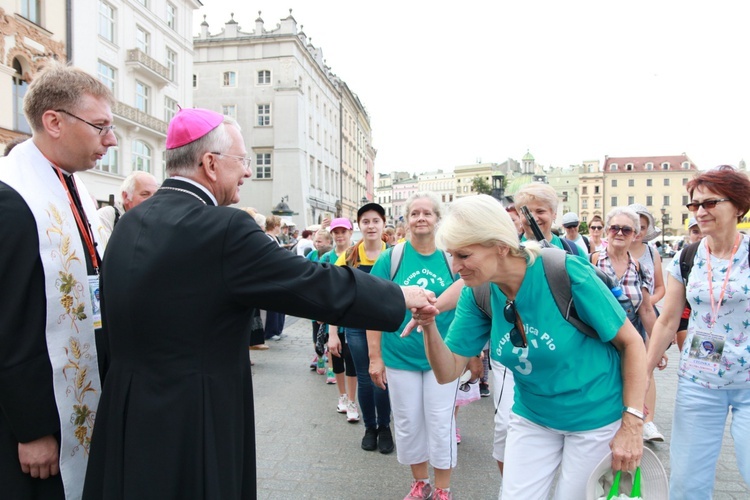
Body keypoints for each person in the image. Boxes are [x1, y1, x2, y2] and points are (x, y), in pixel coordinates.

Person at [81, 108, 437, 499]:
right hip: (195, 417)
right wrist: (397, 294)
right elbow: (310, 283)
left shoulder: (128, 222)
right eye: (243, 161)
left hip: (126, 411)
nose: (248, 172)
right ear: (210, 164)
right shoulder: (224, 228)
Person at [410, 194, 647, 500]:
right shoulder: (478, 293)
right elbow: (447, 372)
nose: (455, 268)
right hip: (533, 415)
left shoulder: (565, 273)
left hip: (595, 417)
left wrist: (632, 424)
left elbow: (632, 343)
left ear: (500, 246)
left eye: (464, 256)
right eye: (451, 256)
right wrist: (429, 326)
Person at [0, 62, 115, 499]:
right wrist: (32, 430)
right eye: (100, 126)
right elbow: (10, 325)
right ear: (54, 122)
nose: (111, 139)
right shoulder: (12, 198)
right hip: (37, 423)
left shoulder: (72, 187)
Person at [646, 165, 750, 499]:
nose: (699, 212)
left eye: (709, 203)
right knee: (687, 482)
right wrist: (642, 372)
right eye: (694, 205)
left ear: (737, 206)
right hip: (699, 382)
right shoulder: (686, 256)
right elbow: (668, 320)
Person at [368, 192, 464, 500]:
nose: (420, 218)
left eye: (427, 213)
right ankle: (420, 482)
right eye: (414, 213)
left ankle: (443, 488)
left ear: (438, 219)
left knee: (440, 423)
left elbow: (469, 308)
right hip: (400, 357)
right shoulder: (391, 258)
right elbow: (373, 309)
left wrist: (471, 355)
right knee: (408, 422)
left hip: (443, 360)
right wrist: (375, 358)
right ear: (406, 220)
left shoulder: (451, 258)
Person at [330, 202, 393, 453]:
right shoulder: (349, 256)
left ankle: (385, 427)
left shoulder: (394, 254)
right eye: (365, 221)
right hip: (356, 327)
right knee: (366, 378)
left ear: (383, 223)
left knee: (382, 378)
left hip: (386, 327)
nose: (370, 226)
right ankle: (371, 427)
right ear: (359, 225)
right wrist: (333, 333)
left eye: (375, 221)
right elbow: (334, 296)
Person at [628, 203, 667, 442]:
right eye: (635, 226)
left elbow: (661, 287)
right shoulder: (609, 249)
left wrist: (647, 300)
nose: (638, 232)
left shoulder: (652, 253)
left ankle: (648, 420)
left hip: (647, 317)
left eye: (643, 227)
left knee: (647, 367)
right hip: (622, 318)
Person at [325, 218, 359, 418]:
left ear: (350, 233)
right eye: (336, 232)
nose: (339, 235)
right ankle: (342, 396)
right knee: (336, 357)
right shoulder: (327, 258)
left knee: (352, 360)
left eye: (343, 232)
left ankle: (353, 401)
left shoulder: (356, 254)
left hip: (353, 315)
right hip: (332, 314)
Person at [97, 171, 158, 241]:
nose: (153, 200)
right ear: (126, 196)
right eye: (145, 194)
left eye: (156, 195)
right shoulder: (108, 216)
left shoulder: (154, 223)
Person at [674, 217, 702, 351]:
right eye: (696, 231)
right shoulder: (684, 256)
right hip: (687, 317)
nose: (700, 235)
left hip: (717, 324)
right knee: (689, 361)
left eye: (703, 231)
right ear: (690, 234)